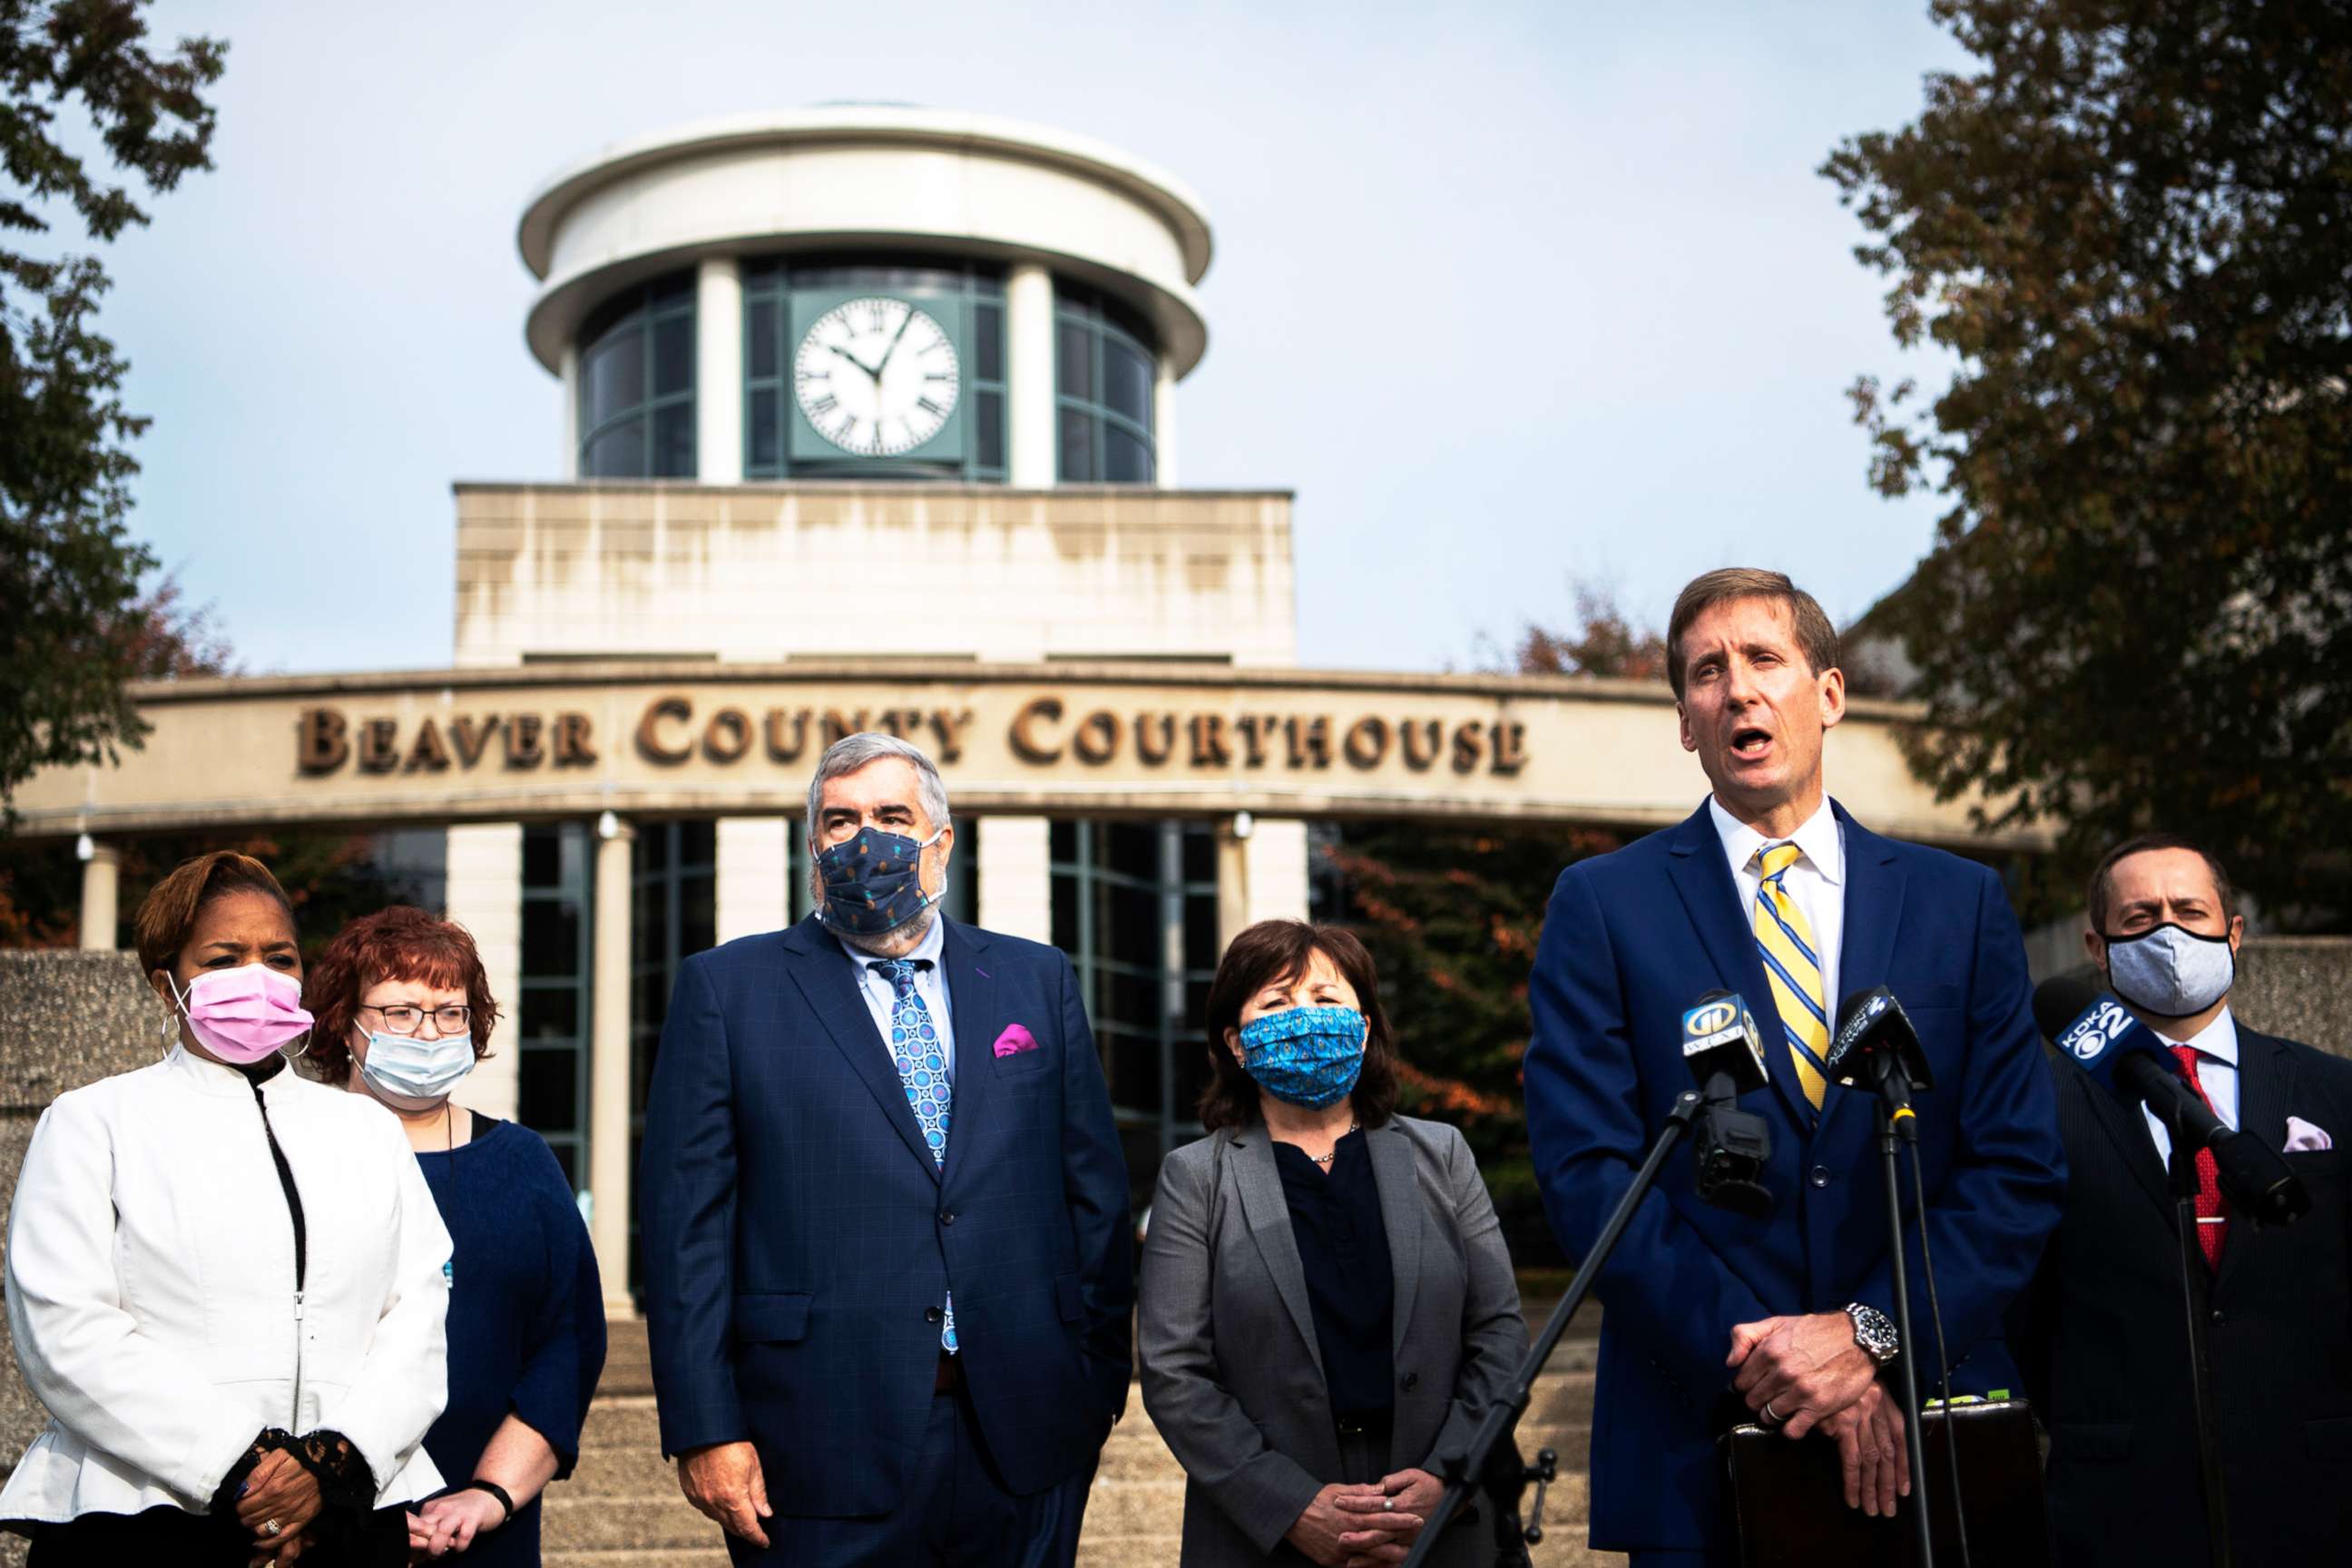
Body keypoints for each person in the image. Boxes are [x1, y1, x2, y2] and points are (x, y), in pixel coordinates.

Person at [1520, 567, 2066, 1567]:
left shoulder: (1961, 904)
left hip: (1928, 1430)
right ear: (1686, 721)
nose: (1738, 689)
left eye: (1765, 659)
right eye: (1705, 672)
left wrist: (1868, 1337)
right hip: (1701, 1446)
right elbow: (1589, 1173)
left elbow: (2017, 1169)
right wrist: (1775, 1361)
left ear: (1829, 694)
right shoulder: (1603, 906)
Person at [637, 732, 1133, 1565]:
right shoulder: (726, 991)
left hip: (1025, 1434)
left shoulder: (1034, 980)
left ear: (941, 843)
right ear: (812, 848)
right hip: (815, 1445)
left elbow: (1094, 1194)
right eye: (840, 821)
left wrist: (1095, 1387)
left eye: (892, 816)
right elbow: (686, 1233)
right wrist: (703, 1428)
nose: (866, 838)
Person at [0, 851, 451, 1566]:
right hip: (146, 1516)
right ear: (166, 983)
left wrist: (329, 1466)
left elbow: (418, 1316)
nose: (257, 978)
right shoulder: (95, 1123)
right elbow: (65, 1326)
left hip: (345, 1518)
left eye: (279, 957)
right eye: (222, 958)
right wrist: (242, 1468)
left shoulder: (364, 1131)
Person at [2007, 834, 2352, 1565]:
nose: (2168, 932)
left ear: (2233, 934)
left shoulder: (2332, 1090)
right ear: (2097, 947)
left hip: (2316, 1496)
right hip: (2122, 1507)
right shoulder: (2036, 1105)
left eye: (2190, 911)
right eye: (2140, 918)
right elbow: (2024, 1309)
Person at [1139, 919, 1526, 1568]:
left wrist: (1449, 1479)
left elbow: (1500, 1333)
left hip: (1441, 1519)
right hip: (1266, 1532)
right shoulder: (1195, 1177)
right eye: (1277, 1002)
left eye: (1326, 999)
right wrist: (1291, 1507)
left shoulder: (1443, 1154)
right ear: (1236, 1042)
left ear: (1365, 1026)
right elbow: (1175, 1371)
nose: (1306, 1019)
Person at [306, 905, 607, 1564]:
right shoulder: (296, 1158)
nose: (428, 1032)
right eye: (401, 1011)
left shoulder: (523, 1164)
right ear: (345, 1021)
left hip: (484, 1530)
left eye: (450, 1012)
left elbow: (568, 1340)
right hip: (317, 1526)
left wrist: (490, 1493)